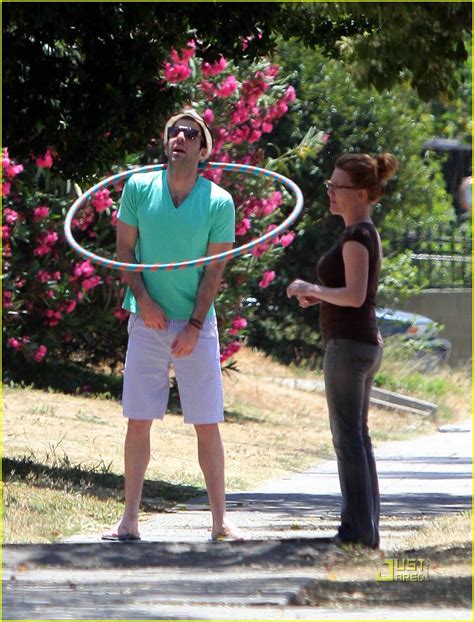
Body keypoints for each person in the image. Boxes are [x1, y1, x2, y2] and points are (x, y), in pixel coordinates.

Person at [103, 109, 244, 542]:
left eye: (190, 134)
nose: (179, 138)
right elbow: (124, 250)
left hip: (195, 324)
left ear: (203, 150)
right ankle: (129, 520)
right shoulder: (139, 189)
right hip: (147, 319)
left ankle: (220, 522)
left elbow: (214, 272)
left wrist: (195, 326)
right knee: (138, 418)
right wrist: (143, 302)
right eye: (174, 132)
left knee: (206, 420)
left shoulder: (218, 201)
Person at [287, 152, 398, 549]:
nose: (331, 192)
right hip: (361, 343)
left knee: (347, 438)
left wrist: (312, 289)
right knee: (358, 438)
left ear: (362, 193)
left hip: (349, 346)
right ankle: (366, 530)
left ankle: (357, 531)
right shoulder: (363, 232)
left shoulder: (356, 235)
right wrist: (321, 299)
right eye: (330, 185)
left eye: (339, 187)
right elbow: (355, 294)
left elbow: (354, 295)